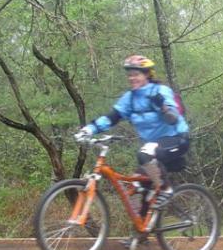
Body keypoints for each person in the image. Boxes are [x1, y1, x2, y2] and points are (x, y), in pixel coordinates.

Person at [75, 55, 189, 208]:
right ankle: (141, 230)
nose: (131, 78)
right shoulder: (129, 98)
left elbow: (174, 119)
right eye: (129, 75)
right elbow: (111, 118)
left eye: (136, 74)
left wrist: (163, 107)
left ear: (147, 74)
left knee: (144, 153)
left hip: (176, 139)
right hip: (151, 147)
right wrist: (89, 129)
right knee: (136, 188)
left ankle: (166, 189)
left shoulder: (160, 91)